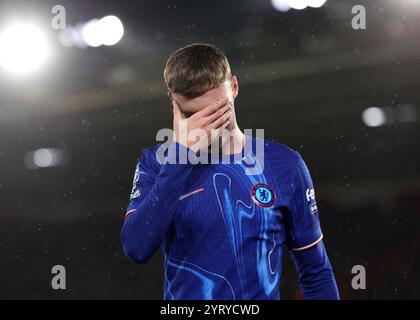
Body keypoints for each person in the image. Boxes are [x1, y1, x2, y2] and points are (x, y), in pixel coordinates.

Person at [120, 43, 339, 300]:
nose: (206, 125)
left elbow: (315, 271)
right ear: (173, 101)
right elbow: (136, 248)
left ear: (233, 87)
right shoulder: (156, 162)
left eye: (216, 111)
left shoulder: (285, 164)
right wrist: (180, 155)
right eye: (193, 115)